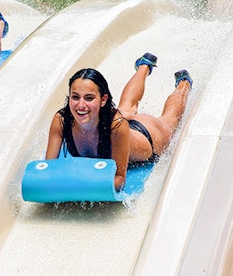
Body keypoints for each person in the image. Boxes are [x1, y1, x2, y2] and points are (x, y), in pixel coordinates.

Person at [45, 55, 193, 192]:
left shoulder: (116, 125)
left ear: (103, 100)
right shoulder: (61, 120)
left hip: (147, 136)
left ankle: (184, 83)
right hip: (112, 123)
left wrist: (76, 184)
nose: (80, 105)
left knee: (169, 120)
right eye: (75, 97)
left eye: (89, 98)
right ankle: (144, 66)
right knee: (127, 106)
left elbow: (119, 180)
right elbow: (48, 170)